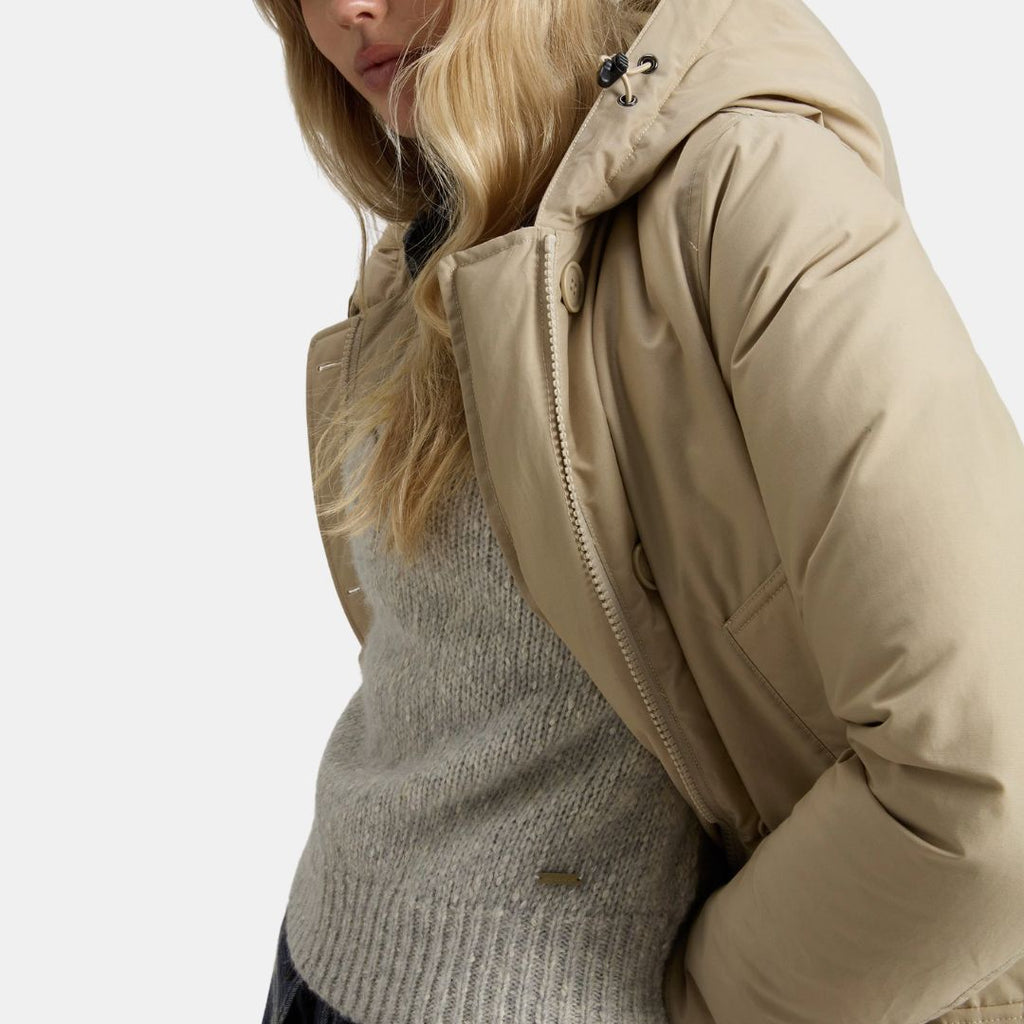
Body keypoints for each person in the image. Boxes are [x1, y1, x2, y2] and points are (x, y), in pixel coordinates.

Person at [253, 0, 1024, 1022]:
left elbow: (984, 786)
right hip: (321, 958)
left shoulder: (755, 188)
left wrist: (707, 1007)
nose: (348, 8)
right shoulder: (452, 195)